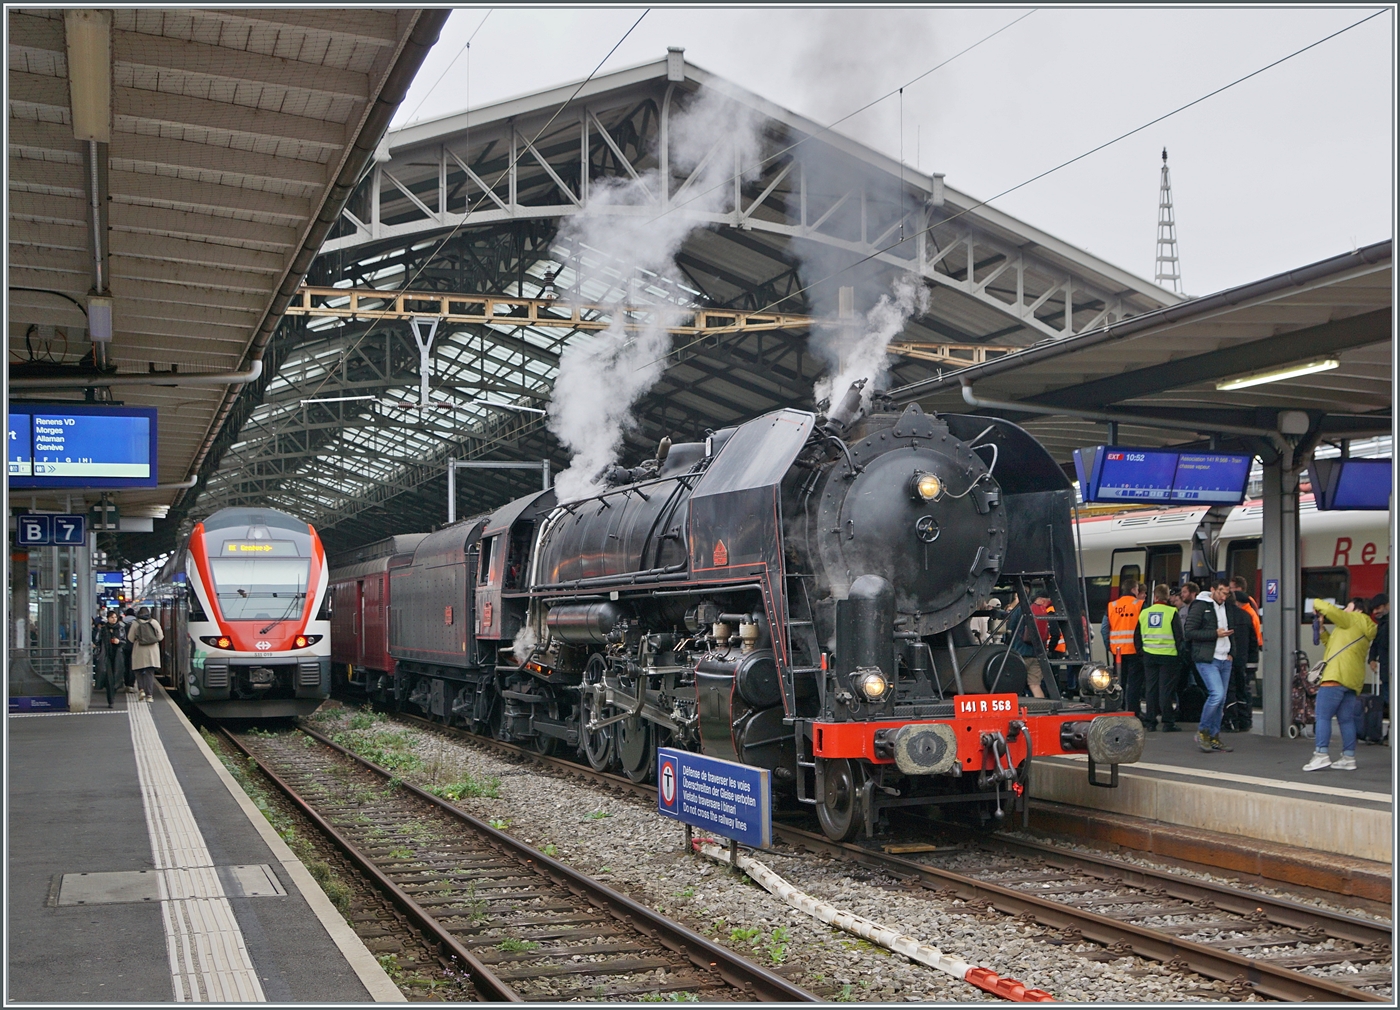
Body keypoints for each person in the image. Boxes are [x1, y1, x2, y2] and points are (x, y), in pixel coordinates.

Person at [1303, 596, 1379, 771]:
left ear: (1358, 609)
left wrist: (1315, 603)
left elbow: (1330, 609)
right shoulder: (1362, 627)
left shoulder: (1352, 618)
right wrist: (1322, 629)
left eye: (1348, 607)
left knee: (1323, 716)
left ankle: (1321, 754)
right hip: (1352, 681)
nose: (1345, 610)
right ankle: (1348, 757)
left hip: (1335, 676)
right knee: (1346, 720)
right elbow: (1332, 645)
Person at [1184, 580, 1239, 753]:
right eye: (1221, 592)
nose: (1224, 597)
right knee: (1217, 695)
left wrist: (1232, 653)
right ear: (1212, 589)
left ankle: (1214, 736)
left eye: (1227, 593)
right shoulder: (1201, 606)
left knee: (1221, 700)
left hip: (1224, 658)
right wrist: (1215, 634)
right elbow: (1189, 632)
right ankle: (1202, 732)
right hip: (1207, 658)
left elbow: (1232, 631)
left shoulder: (1226, 607)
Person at [1134, 583, 1185, 731]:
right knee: (1165, 690)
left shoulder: (1145, 613)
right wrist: (1180, 655)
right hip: (1169, 656)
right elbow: (1179, 636)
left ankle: (1151, 722)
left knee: (1151, 689)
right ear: (1167, 597)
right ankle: (1168, 722)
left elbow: (1137, 636)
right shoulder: (1172, 612)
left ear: (1155, 597)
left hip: (1149, 656)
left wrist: (1141, 652)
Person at [1223, 578, 1261, 731]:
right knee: (1243, 690)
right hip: (1243, 659)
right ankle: (1245, 721)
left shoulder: (1224, 617)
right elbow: (1253, 640)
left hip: (1228, 658)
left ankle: (1231, 722)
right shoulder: (1246, 616)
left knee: (1230, 691)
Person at [1106, 580, 1145, 719]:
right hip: (1134, 650)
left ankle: (1118, 709)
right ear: (1134, 589)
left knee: (1118, 682)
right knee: (1134, 684)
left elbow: (1106, 628)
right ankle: (1133, 711)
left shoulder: (1112, 605)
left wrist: (1109, 646)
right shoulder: (1140, 605)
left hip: (1117, 651)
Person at [1009, 592, 1060, 699]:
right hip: (1038, 655)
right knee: (1035, 685)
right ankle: (1041, 707)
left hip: (1020, 653)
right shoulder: (1045, 612)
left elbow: (1011, 628)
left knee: (1014, 684)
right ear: (1041, 600)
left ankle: (1017, 707)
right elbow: (1054, 633)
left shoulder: (1020, 610)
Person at [127, 607, 164, 702]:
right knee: (149, 673)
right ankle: (149, 695)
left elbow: (130, 638)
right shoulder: (154, 622)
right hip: (152, 651)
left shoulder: (135, 623)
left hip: (139, 650)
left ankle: (141, 690)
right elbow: (160, 637)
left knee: (138, 671)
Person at [95, 610, 126, 708]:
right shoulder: (103, 629)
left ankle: (113, 693)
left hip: (117, 656)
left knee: (116, 677)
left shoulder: (120, 629)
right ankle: (111, 700)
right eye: (112, 617)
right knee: (109, 678)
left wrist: (119, 641)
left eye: (115, 617)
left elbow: (124, 642)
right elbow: (97, 641)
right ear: (108, 618)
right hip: (106, 656)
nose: (114, 619)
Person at [1368, 593, 1389, 720]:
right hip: (1387, 672)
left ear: (1388, 605)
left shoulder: (1387, 624)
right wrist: (1371, 659)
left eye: (1378, 608)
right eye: (1373, 610)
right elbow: (1376, 644)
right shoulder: (1382, 624)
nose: (1375, 612)